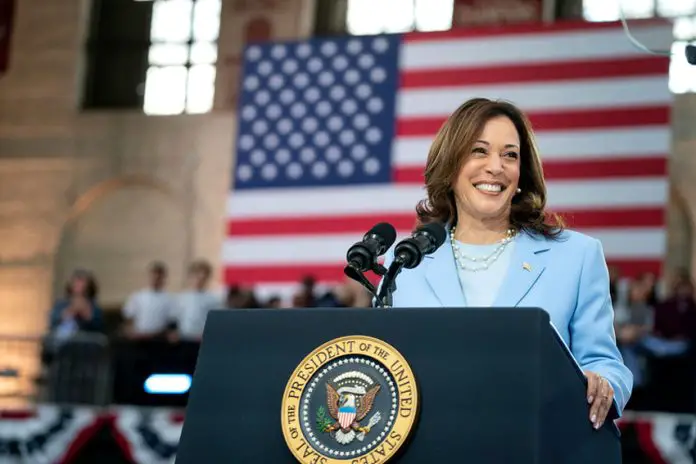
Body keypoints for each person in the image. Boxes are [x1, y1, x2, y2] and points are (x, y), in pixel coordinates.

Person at [381, 97, 632, 430]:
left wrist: (603, 383)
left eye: (510, 155)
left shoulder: (577, 256)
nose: (495, 167)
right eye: (479, 151)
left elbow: (605, 363)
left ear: (521, 173)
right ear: (450, 165)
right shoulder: (406, 262)